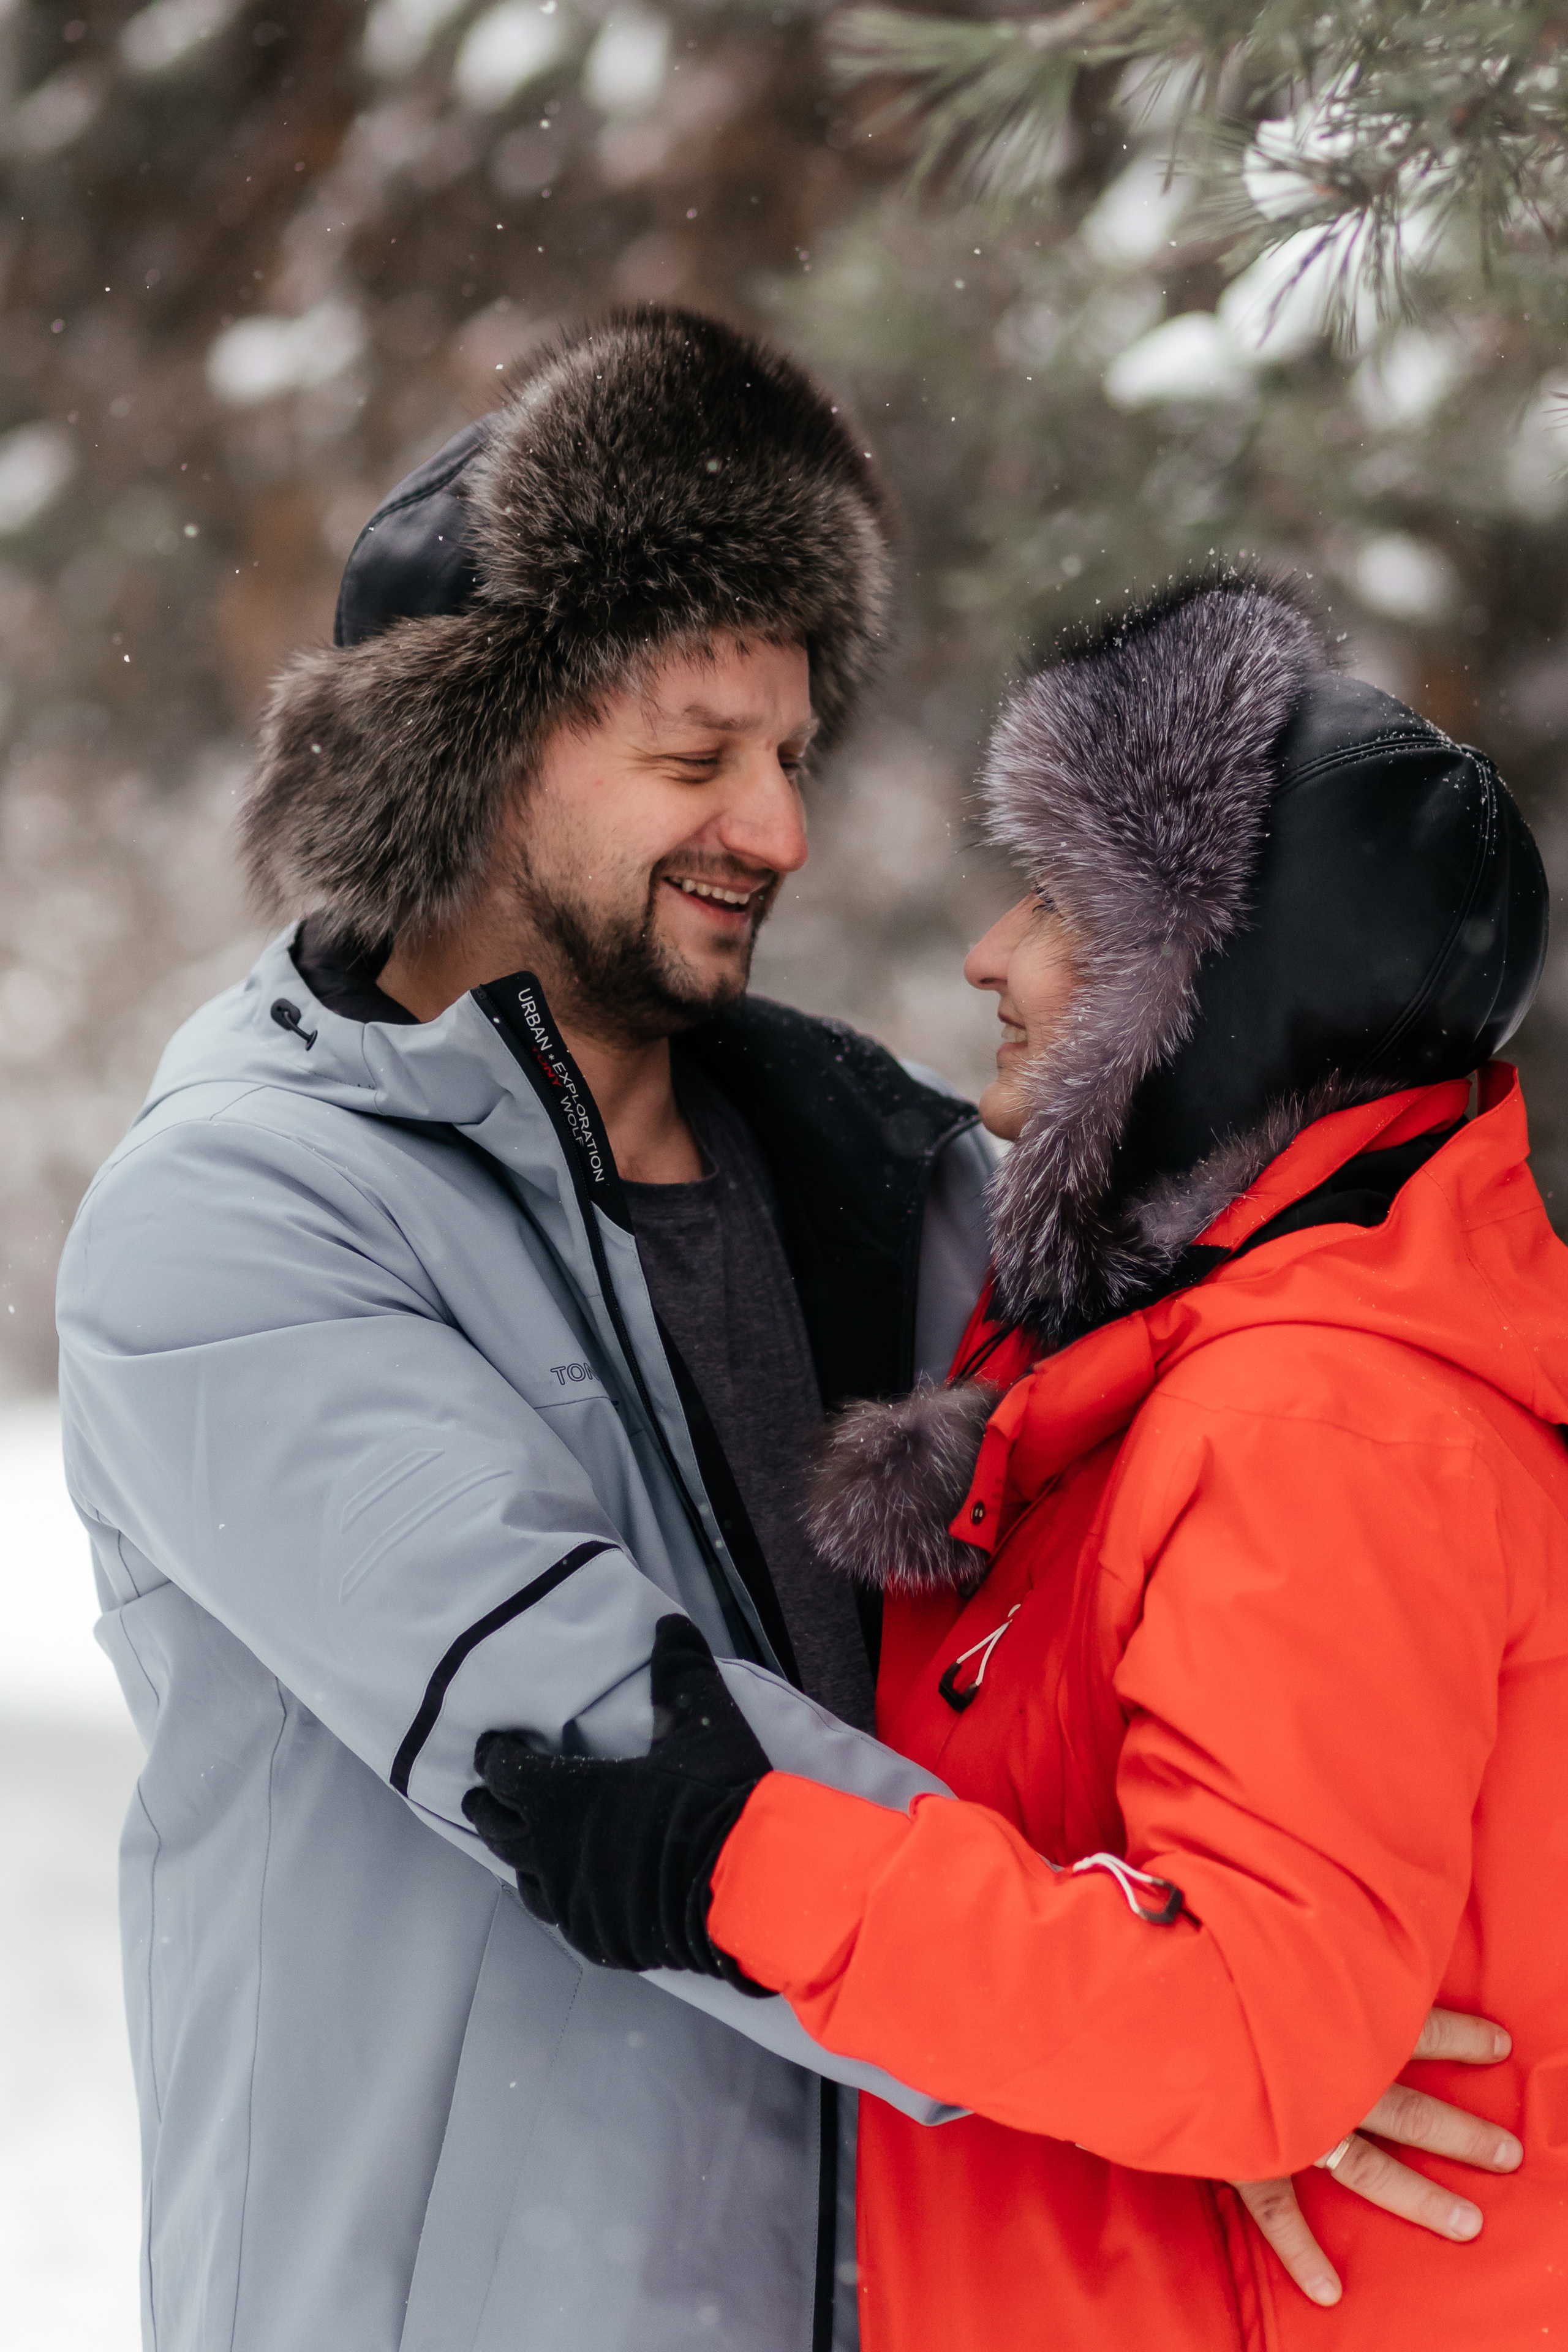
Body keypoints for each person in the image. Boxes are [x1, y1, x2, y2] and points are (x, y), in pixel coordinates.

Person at [464, 570, 1565, 2351]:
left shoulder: (1314, 1423)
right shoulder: (1163, 1369)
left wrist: (740, 1866)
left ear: (1212, 999)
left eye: (1061, 907)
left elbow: (1252, 2028)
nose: (991, 953)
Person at [56, 307, 1001, 2352]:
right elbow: (609, 1742)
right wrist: (1166, 2027)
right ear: (472, 760)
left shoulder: (896, 1184)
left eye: (792, 756)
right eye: (696, 757)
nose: (781, 830)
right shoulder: (236, 1225)